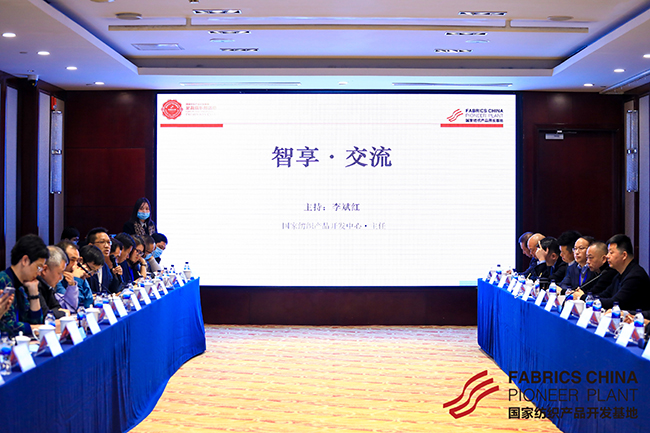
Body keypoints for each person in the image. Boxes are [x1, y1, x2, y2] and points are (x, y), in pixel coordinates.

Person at [574, 234, 650, 311]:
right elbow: (604, 295)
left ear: (624, 255)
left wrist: (583, 297)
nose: (607, 256)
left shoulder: (635, 276)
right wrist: (587, 297)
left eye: (611, 252)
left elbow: (615, 302)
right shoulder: (618, 275)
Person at [0, 234, 49, 337]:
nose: (39, 273)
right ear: (25, 260)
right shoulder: (3, 281)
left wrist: (34, 293)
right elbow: (6, 326)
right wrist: (38, 328)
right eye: (38, 267)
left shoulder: (21, 286)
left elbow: (35, 322)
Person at [55, 243, 102, 312]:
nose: (76, 265)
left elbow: (88, 303)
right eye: (72, 260)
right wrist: (76, 279)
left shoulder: (76, 275)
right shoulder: (57, 280)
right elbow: (75, 306)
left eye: (77, 261)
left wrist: (83, 280)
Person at [37, 246, 69, 319]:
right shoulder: (35, 284)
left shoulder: (47, 286)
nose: (61, 278)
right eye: (59, 273)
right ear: (44, 270)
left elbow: (57, 307)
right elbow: (45, 315)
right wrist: (63, 313)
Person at [86, 227, 120, 293]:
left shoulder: (105, 266)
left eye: (109, 242)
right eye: (102, 242)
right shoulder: (85, 265)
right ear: (91, 245)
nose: (107, 246)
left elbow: (111, 290)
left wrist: (115, 276)